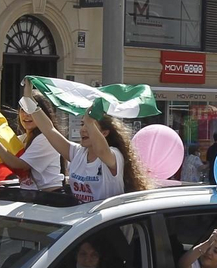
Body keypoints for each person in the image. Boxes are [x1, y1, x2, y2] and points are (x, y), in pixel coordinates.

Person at [22, 82, 150, 202]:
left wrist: (89, 121)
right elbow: (49, 130)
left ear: (104, 133)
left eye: (89, 126)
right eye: (82, 124)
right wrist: (29, 100)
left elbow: (101, 150)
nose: (83, 129)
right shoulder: (77, 152)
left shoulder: (114, 155)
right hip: (84, 221)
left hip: (108, 223)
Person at [0, 92, 65, 191]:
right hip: (30, 197)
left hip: (50, 197)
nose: (26, 115)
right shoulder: (20, 139)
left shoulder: (45, 139)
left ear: (43, 115)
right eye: (23, 110)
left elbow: (20, 165)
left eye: (31, 110)